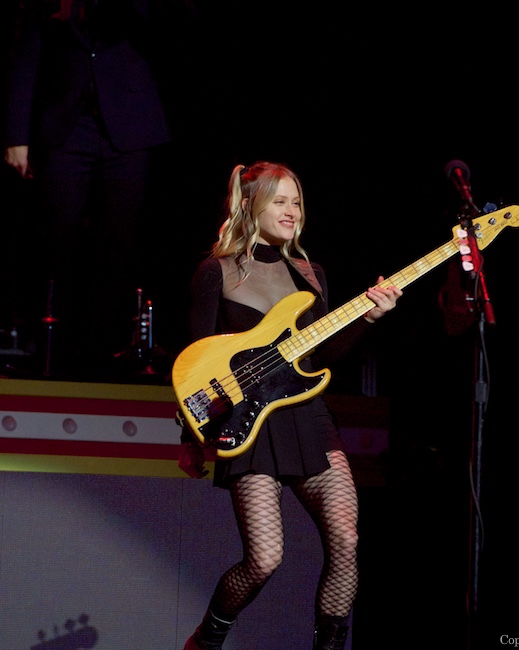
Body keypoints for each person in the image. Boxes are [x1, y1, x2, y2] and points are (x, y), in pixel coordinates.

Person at [177, 161, 403, 650]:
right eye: (279, 201)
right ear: (250, 205)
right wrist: (192, 439)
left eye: (296, 201)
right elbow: (196, 364)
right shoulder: (215, 272)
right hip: (250, 425)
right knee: (264, 559)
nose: (291, 211)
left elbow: (324, 355)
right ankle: (207, 639)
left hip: (307, 416)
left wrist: (369, 317)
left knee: (346, 538)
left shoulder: (309, 274)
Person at [1, 0, 193, 379]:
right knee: (56, 240)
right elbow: (26, 54)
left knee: (115, 247)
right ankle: (50, 344)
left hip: (129, 126)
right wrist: (16, 134)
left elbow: (176, 24)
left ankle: (98, 350)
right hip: (64, 125)